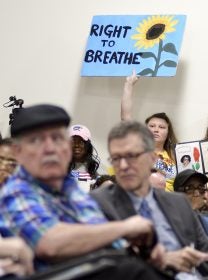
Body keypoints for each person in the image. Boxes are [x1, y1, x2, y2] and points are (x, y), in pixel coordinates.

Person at [0, 104, 170, 279]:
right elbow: (50, 244)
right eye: (36, 140)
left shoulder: (70, 187)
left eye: (57, 138)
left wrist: (142, 250)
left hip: (105, 266)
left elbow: (99, 231)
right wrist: (125, 228)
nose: (50, 149)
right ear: (18, 153)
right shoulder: (15, 191)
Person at [91, 121, 208, 279]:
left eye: (131, 156)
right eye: (116, 158)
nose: (123, 166)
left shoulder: (178, 203)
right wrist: (161, 260)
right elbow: (105, 264)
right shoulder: (99, 204)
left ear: (152, 158)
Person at [121, 71, 178, 192]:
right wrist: (129, 84)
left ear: (168, 133)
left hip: (168, 203)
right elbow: (126, 118)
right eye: (152, 126)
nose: (156, 129)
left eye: (162, 127)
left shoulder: (175, 155)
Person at [68, 124, 103, 192]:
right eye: (72, 142)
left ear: (88, 146)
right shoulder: (60, 169)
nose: (76, 145)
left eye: (81, 142)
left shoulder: (95, 170)